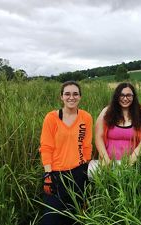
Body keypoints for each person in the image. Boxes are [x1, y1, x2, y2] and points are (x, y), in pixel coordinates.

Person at [39, 81, 93, 225]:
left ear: (80, 97)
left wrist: (86, 172)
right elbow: (46, 147)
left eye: (75, 94)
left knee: (74, 216)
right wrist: (48, 175)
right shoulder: (51, 118)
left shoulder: (86, 118)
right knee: (51, 218)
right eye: (67, 94)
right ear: (61, 97)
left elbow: (87, 146)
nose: (71, 97)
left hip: (78, 173)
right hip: (56, 175)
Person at [95, 82, 141, 166]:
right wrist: (106, 159)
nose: (125, 98)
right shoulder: (106, 112)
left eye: (129, 95)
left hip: (132, 163)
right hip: (107, 162)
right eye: (121, 95)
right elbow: (98, 137)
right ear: (116, 96)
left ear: (133, 97)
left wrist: (133, 158)